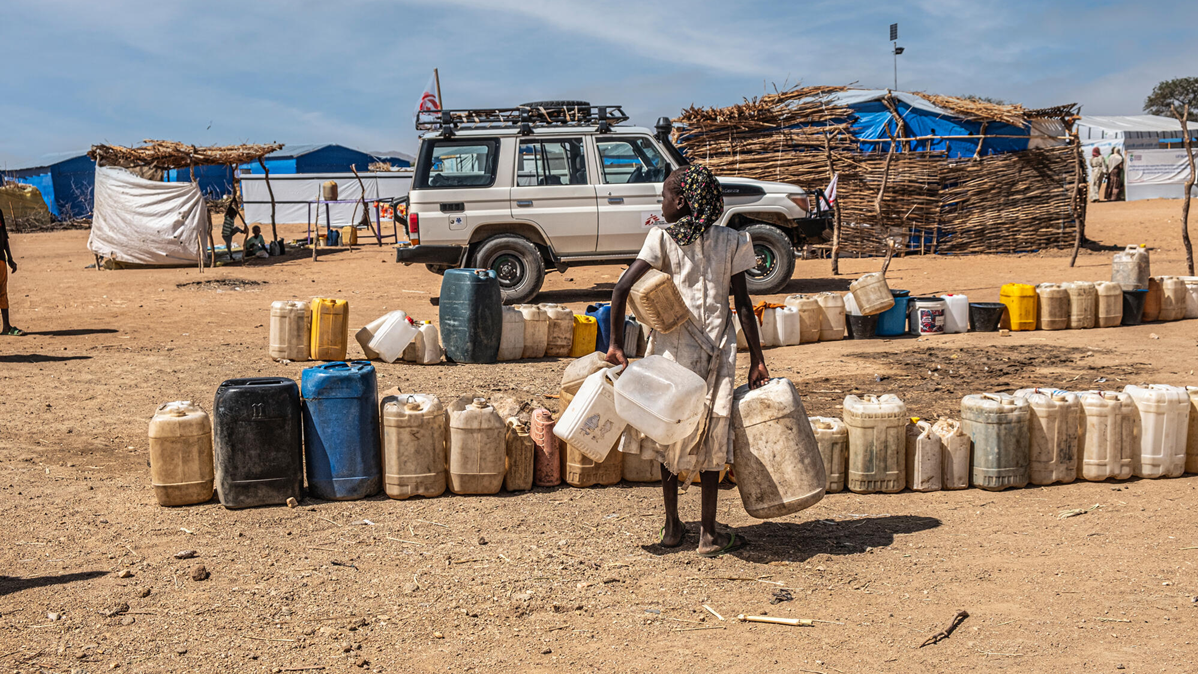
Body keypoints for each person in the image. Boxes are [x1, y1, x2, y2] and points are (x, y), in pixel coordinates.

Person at [606, 164, 769, 557]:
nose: (661, 203)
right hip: (717, 353)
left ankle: (672, 526)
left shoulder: (661, 239)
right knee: (713, 429)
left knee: (668, 428)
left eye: (664, 196)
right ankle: (708, 533)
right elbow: (743, 306)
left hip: (670, 354)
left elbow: (622, 288)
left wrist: (616, 344)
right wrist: (757, 359)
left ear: (680, 201)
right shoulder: (733, 240)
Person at [0, 208, 23, 336]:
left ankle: (6, 327)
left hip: (0, 258)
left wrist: (10, 258)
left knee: (2, 293)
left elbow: (4, 236)